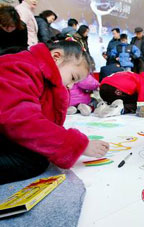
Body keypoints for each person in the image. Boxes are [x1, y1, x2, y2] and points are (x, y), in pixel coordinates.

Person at [0, 40, 109, 184]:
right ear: (56, 57)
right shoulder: (19, 67)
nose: (70, 86)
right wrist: (78, 145)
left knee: (38, 156)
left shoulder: (41, 75)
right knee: (33, 161)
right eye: (73, 78)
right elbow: (23, 121)